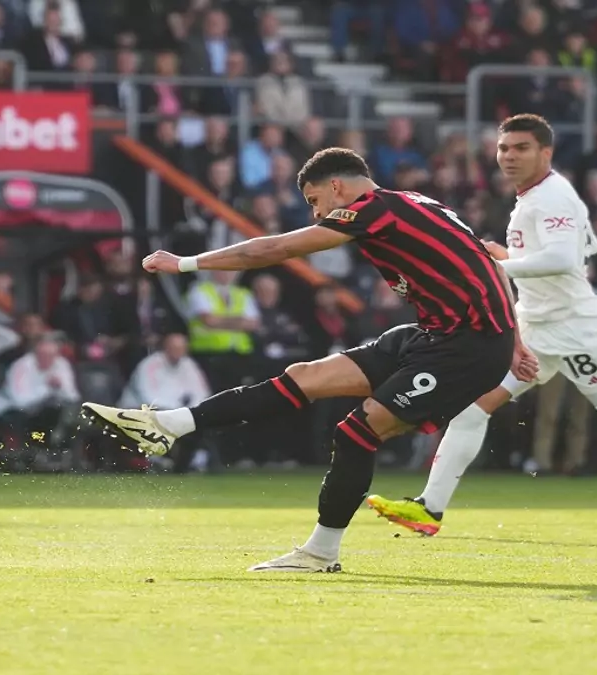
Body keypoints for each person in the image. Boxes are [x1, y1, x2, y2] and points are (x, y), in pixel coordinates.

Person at [82, 147, 534, 573]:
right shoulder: (417, 202)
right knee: (305, 377)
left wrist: (184, 264)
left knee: (357, 431)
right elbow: (491, 258)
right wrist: (514, 341)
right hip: (436, 335)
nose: (317, 214)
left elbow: (274, 249)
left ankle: (321, 551)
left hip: (466, 348)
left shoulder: (370, 209)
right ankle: (169, 426)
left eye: (316, 201)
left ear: (337, 187)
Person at [367, 114, 597, 535]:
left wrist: (499, 261)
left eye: (521, 148)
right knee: (471, 407)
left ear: (545, 152)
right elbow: (581, 248)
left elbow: (564, 260)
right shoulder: (534, 197)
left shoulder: (551, 197)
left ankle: (430, 506)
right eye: (504, 148)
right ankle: (429, 508)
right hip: (535, 326)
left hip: (575, 328)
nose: (509, 156)